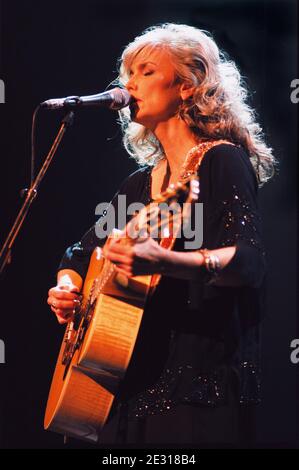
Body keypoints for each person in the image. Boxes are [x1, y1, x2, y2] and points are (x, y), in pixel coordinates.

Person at [47, 23, 275, 447]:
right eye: (127, 73)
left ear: (187, 85)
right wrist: (68, 288)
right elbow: (79, 254)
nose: (128, 84)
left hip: (197, 390)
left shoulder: (221, 162)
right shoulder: (137, 186)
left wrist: (165, 261)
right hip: (129, 389)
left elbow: (250, 261)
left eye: (145, 71)